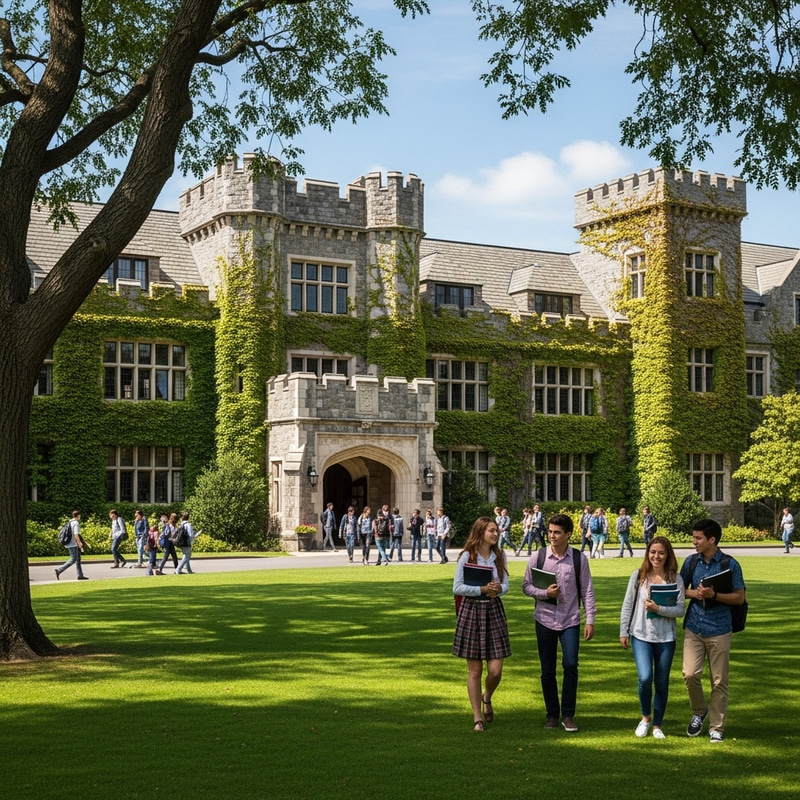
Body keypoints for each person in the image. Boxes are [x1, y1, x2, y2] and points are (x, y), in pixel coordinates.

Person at [522, 513, 596, 732]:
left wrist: (590, 619)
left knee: (571, 665)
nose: (552, 536)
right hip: (544, 619)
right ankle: (552, 715)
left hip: (570, 619)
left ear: (568, 534)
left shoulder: (578, 559)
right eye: (550, 532)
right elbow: (526, 586)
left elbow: (588, 590)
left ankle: (569, 715)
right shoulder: (539, 556)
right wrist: (544, 593)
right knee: (547, 670)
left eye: (556, 532)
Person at [680, 518, 746, 743]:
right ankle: (699, 712)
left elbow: (740, 597)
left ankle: (716, 727)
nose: (694, 542)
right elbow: (680, 590)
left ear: (712, 539)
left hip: (719, 628)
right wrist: (695, 594)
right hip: (694, 627)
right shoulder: (690, 562)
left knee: (719, 681)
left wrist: (714, 595)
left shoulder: (730, 565)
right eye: (694, 537)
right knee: (689, 674)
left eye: (698, 538)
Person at [619, 536, 686, 739]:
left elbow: (680, 610)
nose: (656, 556)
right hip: (641, 634)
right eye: (653, 552)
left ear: (668, 555)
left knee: (662, 682)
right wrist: (623, 631)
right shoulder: (639, 576)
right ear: (648, 553)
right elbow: (627, 604)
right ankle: (645, 718)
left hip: (666, 637)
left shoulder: (676, 578)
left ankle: (657, 725)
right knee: (645, 677)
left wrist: (659, 608)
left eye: (661, 553)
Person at [452, 516, 511, 732]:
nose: (495, 534)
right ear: (480, 532)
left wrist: (497, 590)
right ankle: (477, 718)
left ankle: (487, 697)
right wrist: (481, 590)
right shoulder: (468, 556)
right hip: (472, 611)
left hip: (493, 610)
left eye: (496, 531)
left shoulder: (500, 555)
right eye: (491, 531)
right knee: (475, 671)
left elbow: (506, 585)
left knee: (495, 671)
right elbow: (457, 587)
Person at [54, 510, 88, 581]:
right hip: (72, 544)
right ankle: (58, 570)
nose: (80, 517)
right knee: (73, 559)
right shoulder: (76, 523)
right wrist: (79, 543)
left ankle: (80, 575)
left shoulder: (70, 522)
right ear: (78, 516)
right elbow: (76, 535)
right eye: (79, 516)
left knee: (78, 559)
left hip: (70, 543)